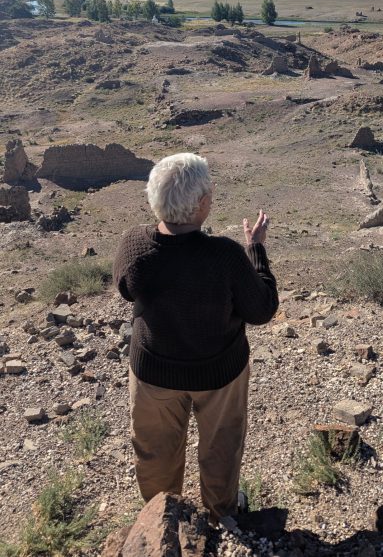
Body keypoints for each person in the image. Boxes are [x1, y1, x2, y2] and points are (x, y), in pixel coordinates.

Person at [112, 152, 278, 523]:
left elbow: (126, 289)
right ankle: (220, 514)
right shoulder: (226, 256)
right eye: (210, 193)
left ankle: (161, 519)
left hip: (154, 371)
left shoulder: (135, 245)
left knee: (154, 448)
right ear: (202, 204)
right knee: (221, 445)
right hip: (218, 373)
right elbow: (262, 309)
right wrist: (257, 251)